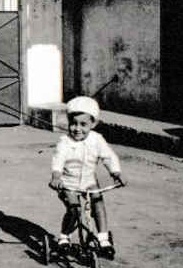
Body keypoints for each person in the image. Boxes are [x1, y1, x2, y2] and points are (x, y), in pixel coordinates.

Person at [48, 96, 126, 258]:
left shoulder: (97, 140)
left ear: (93, 124)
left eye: (83, 124)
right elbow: (58, 160)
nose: (77, 129)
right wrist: (56, 177)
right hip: (68, 183)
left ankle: (103, 239)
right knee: (74, 209)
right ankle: (64, 237)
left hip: (89, 181)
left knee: (98, 201)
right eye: (73, 123)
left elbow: (108, 156)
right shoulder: (65, 142)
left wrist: (116, 173)